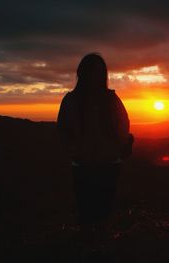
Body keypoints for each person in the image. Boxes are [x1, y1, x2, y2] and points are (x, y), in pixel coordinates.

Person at [57, 53, 134, 260]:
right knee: (87, 210)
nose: (96, 76)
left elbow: (123, 126)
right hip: (83, 164)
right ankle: (90, 249)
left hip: (108, 164)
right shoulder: (72, 100)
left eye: (99, 72)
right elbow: (64, 130)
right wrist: (74, 151)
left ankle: (98, 249)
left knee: (102, 210)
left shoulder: (109, 100)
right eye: (93, 71)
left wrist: (121, 145)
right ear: (83, 73)